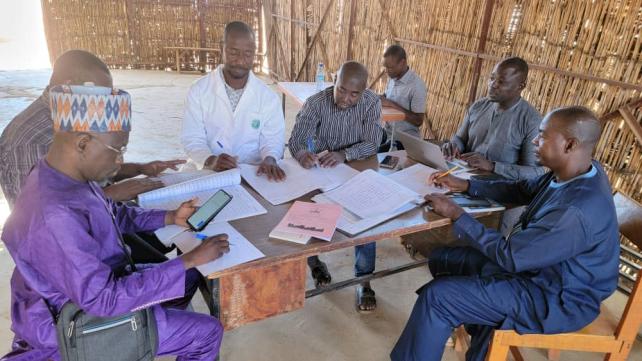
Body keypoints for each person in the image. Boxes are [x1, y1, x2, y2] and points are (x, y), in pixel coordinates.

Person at [2, 84, 228, 361]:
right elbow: (105, 300)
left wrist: (169, 217)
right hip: (77, 324)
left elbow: (111, 213)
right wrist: (186, 260)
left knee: (189, 278)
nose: (120, 161)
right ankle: (143, 334)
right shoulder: (54, 216)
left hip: (96, 289)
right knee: (207, 332)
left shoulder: (63, 175)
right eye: (117, 149)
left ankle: (151, 332)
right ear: (83, 143)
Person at [391, 106, 620, 361]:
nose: (535, 140)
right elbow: (521, 189)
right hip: (538, 270)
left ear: (569, 145)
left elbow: (510, 255)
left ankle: (463, 327)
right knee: (446, 259)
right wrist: (467, 185)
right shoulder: (575, 172)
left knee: (439, 297)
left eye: (542, 135)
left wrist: (458, 214)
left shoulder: (575, 211)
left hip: (555, 298)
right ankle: (480, 342)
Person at [0, 49, 185, 208]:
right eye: (101, 93)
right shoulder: (33, 142)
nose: (106, 101)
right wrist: (110, 194)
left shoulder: (75, 115)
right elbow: (38, 213)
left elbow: (88, 168)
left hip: (96, 214)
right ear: (69, 84)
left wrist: (139, 169)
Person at [289, 61, 383, 312]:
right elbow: (297, 138)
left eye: (354, 94)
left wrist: (345, 154)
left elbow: (373, 143)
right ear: (334, 80)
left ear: (363, 91)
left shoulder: (371, 103)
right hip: (322, 168)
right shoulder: (316, 102)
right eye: (341, 90)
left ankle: (363, 280)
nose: (346, 98)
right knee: (309, 209)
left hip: (357, 165)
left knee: (365, 219)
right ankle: (314, 261)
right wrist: (302, 154)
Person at [182, 21, 286, 181]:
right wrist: (210, 160)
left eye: (248, 54)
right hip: (208, 170)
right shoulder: (199, 90)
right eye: (233, 52)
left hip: (252, 172)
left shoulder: (268, 97)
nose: (240, 60)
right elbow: (192, 138)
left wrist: (270, 158)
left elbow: (273, 139)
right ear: (221, 48)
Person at [441, 57, 545, 181]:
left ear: (521, 86)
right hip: (460, 177)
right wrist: (453, 146)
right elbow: (460, 139)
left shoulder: (531, 121)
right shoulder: (478, 106)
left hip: (497, 189)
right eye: (491, 78)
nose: (492, 85)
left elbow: (535, 172)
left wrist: (493, 166)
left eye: (501, 82)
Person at [379, 44, 429, 151]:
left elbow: (418, 121)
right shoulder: (393, 78)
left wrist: (391, 104)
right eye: (385, 67)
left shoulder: (416, 85)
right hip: (388, 134)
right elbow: (386, 97)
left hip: (404, 141)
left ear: (402, 63)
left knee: (374, 155)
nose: (386, 71)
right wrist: (378, 98)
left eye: (390, 67)